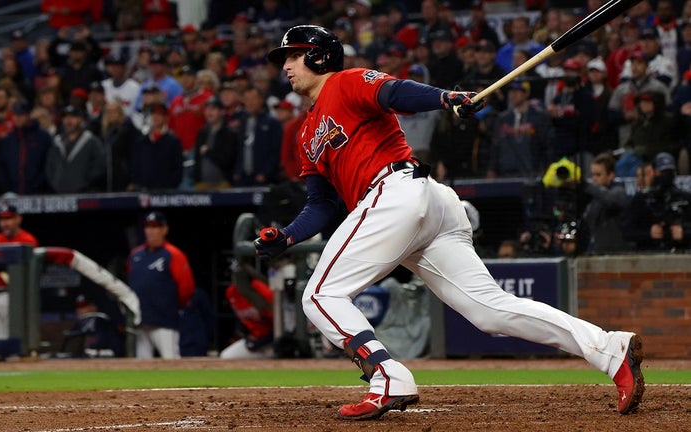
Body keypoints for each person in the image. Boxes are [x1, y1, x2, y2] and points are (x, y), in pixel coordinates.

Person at [255, 25, 644, 421]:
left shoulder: (346, 82)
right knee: (490, 311)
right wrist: (287, 236)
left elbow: (395, 92)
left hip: (397, 191)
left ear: (319, 56)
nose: (286, 66)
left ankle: (388, 378)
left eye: (294, 55)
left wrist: (445, 98)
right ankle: (608, 348)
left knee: (319, 295)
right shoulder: (306, 133)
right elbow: (321, 203)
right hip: (416, 204)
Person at [127, 211, 195, 359]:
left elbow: (186, 289)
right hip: (141, 320)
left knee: (171, 361)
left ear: (164, 229)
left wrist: (171, 306)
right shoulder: (135, 255)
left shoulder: (173, 254)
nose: (151, 231)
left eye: (155, 226)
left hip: (165, 321)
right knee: (142, 366)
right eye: (148, 227)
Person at [0, 202, 39, 339]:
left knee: (14, 339)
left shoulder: (27, 240)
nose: (4, 223)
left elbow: (27, 271)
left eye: (8, 219)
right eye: (1, 219)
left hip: (13, 295)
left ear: (18, 219)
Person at [623, 152, 691, 252]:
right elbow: (627, 231)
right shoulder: (641, 199)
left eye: (669, 172)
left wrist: (684, 232)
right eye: (661, 172)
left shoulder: (685, 198)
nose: (665, 176)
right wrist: (648, 233)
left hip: (680, 254)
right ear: (653, 172)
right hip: (649, 254)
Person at [45, 104, 106, 194]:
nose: (68, 120)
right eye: (65, 117)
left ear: (81, 119)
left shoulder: (91, 141)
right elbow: (49, 168)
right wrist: (56, 183)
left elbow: (99, 166)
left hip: (85, 195)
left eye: (72, 117)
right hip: (60, 195)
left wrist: (84, 183)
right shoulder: (57, 142)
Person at [220, 260, 275, 359]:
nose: (235, 278)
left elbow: (280, 325)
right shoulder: (231, 292)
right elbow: (243, 322)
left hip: (272, 341)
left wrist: (260, 342)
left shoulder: (260, 288)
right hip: (255, 339)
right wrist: (246, 337)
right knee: (226, 356)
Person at [0, 101, 53, 194]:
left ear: (28, 115)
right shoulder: (8, 140)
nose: (17, 118)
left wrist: (40, 185)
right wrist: (7, 190)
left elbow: (49, 165)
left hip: (39, 193)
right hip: (13, 193)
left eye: (21, 115)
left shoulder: (43, 137)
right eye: (15, 115)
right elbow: (2, 167)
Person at [582, 152, 630, 254]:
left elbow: (610, 200)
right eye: (592, 175)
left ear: (611, 175)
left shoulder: (619, 192)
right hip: (597, 251)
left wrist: (586, 186)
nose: (594, 179)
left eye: (598, 175)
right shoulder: (594, 197)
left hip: (617, 254)